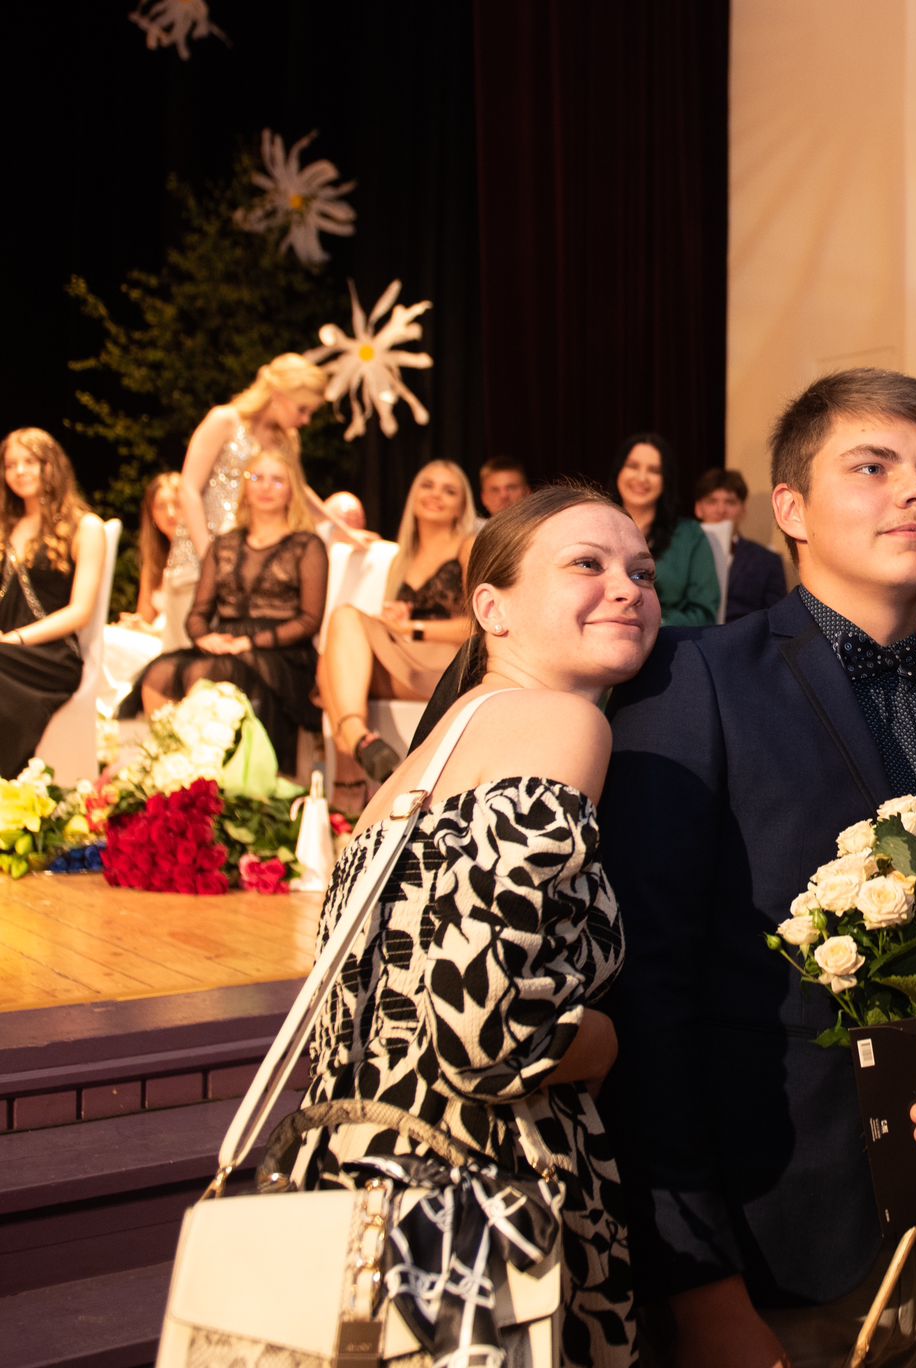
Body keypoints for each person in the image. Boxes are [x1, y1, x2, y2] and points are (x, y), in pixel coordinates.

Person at [603, 369, 916, 1368]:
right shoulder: (695, 679)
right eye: (872, 467)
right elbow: (645, 992)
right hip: (774, 1258)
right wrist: (700, 1289)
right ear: (789, 509)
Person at [272, 482, 659, 1368]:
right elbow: (486, 1030)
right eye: (587, 565)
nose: (628, 588)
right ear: (492, 609)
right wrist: (606, 1041)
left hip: (348, 1185)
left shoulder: (430, 753)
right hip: (472, 1219)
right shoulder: (562, 724)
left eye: (641, 571)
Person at [130, 450, 327, 770]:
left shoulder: (307, 545)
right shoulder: (224, 544)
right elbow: (198, 613)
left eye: (277, 480)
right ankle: (170, 768)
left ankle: (214, 771)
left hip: (281, 651)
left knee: (204, 673)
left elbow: (309, 620)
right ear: (245, 487)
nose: (266, 487)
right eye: (257, 478)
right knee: (158, 675)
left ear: (292, 490)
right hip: (225, 642)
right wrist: (205, 638)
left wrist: (250, 643)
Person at [318, 459, 479, 787]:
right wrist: (398, 622)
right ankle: (360, 748)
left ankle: (350, 770)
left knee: (345, 619)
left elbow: (480, 625)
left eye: (449, 491)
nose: (435, 495)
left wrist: (415, 629)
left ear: (462, 506)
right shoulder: (403, 558)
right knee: (328, 661)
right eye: (427, 486)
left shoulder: (468, 546)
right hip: (408, 659)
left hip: (448, 666)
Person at [178, 353, 367, 556]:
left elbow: (300, 492)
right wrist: (207, 555)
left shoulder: (287, 439)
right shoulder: (224, 420)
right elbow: (189, 488)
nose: (306, 420)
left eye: (310, 412)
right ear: (277, 395)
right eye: (302, 409)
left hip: (254, 554)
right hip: (202, 549)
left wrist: (346, 533)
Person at [0, 429, 109, 777]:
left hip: (51, 655)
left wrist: (16, 639)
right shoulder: (5, 526)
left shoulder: (84, 526)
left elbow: (81, 612)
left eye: (29, 462)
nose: (19, 471)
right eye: (10, 465)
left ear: (51, 465)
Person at [102, 472, 199, 706]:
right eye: (161, 507)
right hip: (151, 640)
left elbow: (192, 626)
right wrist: (133, 624)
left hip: (177, 645)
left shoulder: (201, 555)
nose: (170, 514)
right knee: (102, 637)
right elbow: (145, 616)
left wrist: (148, 631)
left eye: (176, 505)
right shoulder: (154, 561)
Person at [610, 433, 717, 627]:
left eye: (654, 470)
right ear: (619, 471)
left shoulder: (690, 535)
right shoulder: (596, 527)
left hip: (668, 638)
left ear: (665, 480)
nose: (641, 478)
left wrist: (653, 623)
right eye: (633, 466)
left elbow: (705, 613)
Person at [691, 467, 786, 622]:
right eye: (712, 501)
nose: (721, 510)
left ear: (743, 509)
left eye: (730, 502)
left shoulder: (768, 561)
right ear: (698, 509)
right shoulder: (681, 555)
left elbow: (777, 620)